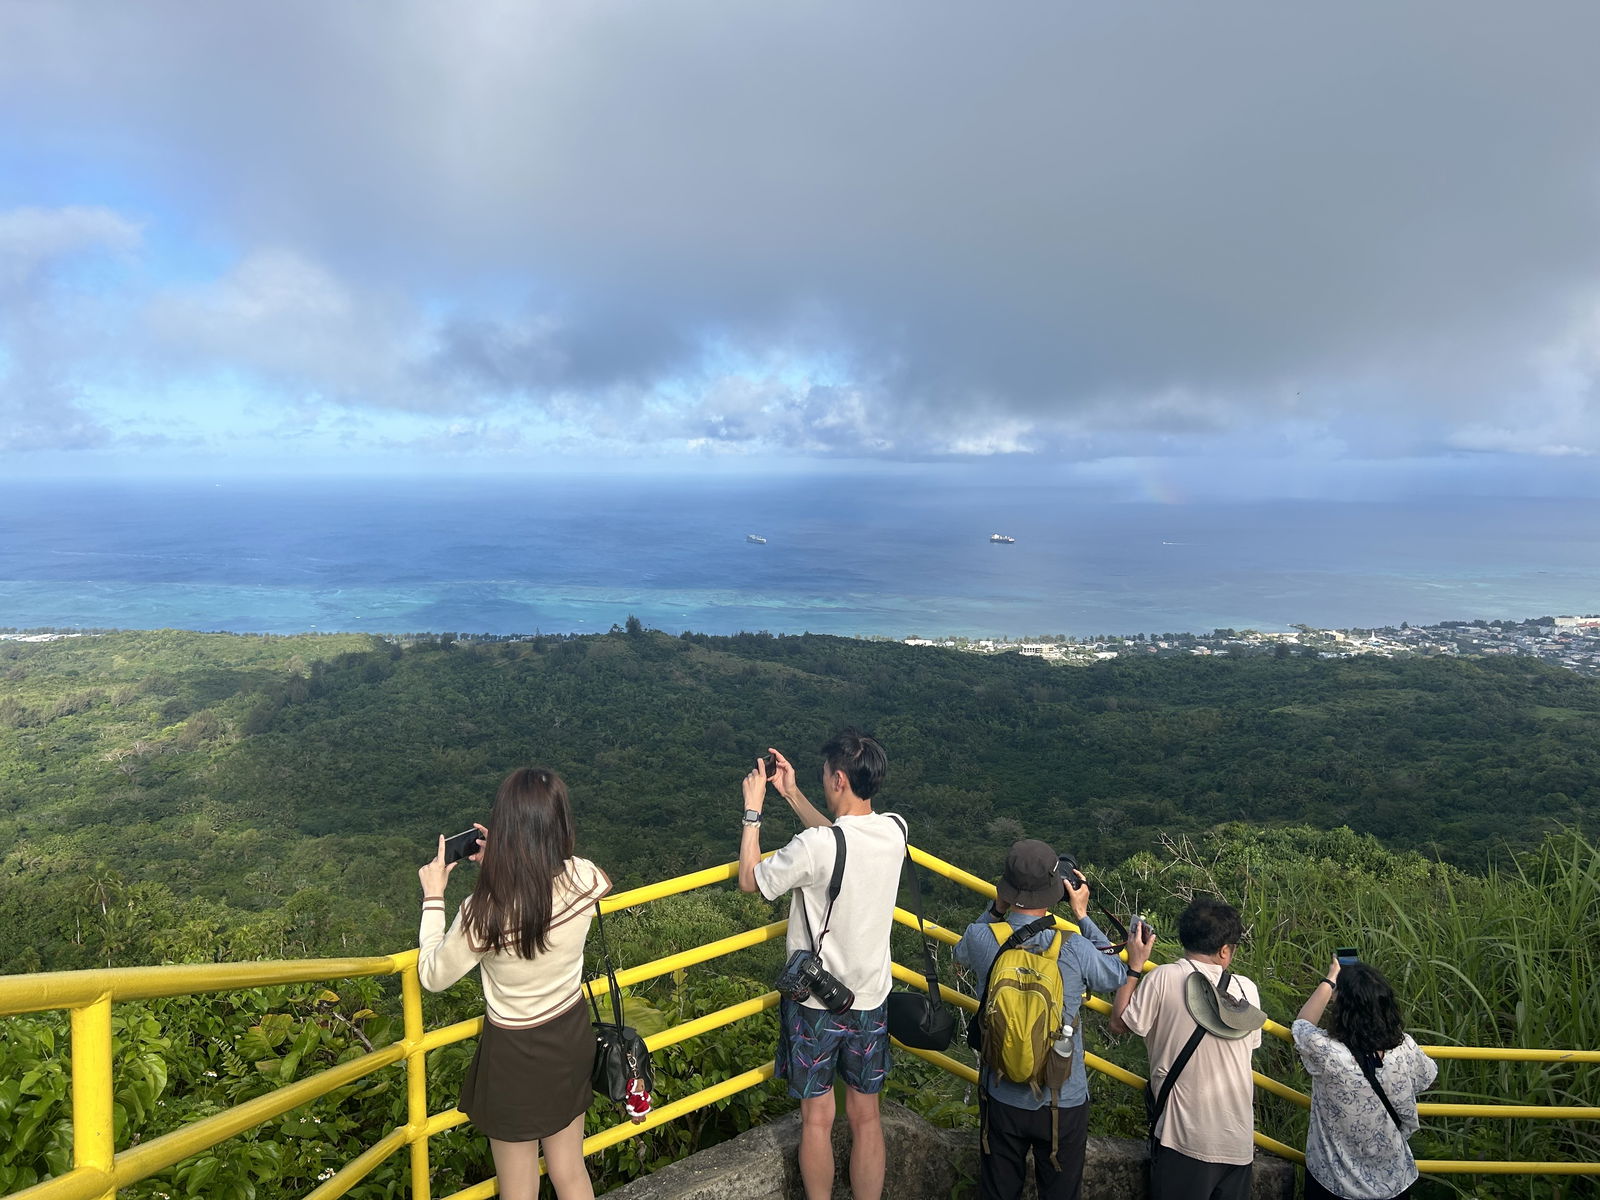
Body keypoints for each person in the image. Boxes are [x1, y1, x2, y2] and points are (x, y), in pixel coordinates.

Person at [417, 767, 611, 1200]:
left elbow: (432, 976)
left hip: (515, 1055)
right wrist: (510, 858)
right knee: (569, 1169)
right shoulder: (585, 877)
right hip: (570, 1034)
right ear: (560, 824)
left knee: (519, 1186)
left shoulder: (483, 911)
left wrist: (434, 897)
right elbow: (563, 880)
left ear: (504, 825)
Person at [737, 729, 906, 1200]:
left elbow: (752, 881)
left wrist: (754, 809)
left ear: (837, 779)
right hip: (870, 997)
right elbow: (836, 839)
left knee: (817, 1118)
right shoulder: (896, 830)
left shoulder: (814, 848)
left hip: (816, 1003)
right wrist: (792, 793)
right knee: (867, 1116)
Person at [953, 840, 1131, 1200]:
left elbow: (959, 952)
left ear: (1007, 887)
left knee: (998, 1191)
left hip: (1000, 1092)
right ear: (1057, 889)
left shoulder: (983, 938)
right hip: (1061, 1098)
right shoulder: (1074, 946)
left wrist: (997, 909)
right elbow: (1115, 973)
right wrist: (1082, 915)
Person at [1110, 897, 1263, 1200]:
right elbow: (1251, 1045)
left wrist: (1135, 965)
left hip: (1182, 1139)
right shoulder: (1247, 990)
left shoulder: (1164, 977)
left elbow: (1119, 1023)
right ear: (1224, 951)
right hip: (1239, 1142)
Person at [1293, 957, 1437, 1200]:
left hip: (1335, 1183)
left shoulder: (1327, 1052)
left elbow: (1301, 1024)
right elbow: (1427, 1077)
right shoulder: (1406, 1049)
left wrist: (1330, 979)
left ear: (1341, 1008)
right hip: (1394, 1181)